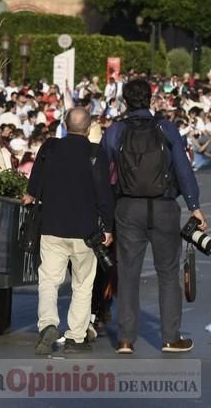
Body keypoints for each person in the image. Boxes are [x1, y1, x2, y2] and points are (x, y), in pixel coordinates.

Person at [100, 79, 206, 354]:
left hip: (128, 207)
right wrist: (194, 205)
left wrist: (107, 209)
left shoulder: (115, 132)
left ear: (124, 100)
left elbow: (104, 173)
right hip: (163, 207)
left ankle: (125, 339)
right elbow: (183, 168)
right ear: (150, 98)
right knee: (168, 273)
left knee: (128, 272)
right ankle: (171, 338)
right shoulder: (166, 128)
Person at [24, 107, 115, 355]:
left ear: (65, 125)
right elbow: (104, 196)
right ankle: (75, 336)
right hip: (86, 231)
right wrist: (108, 227)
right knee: (83, 284)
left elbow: (33, 186)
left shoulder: (50, 148)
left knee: (49, 281)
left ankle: (48, 324)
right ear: (88, 129)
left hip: (52, 226)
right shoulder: (97, 153)